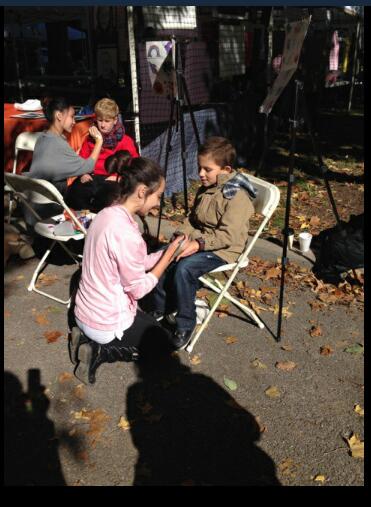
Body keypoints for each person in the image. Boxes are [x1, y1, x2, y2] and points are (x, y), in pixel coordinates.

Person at [71, 156, 186, 385]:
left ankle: (83, 335)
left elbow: (134, 261)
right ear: (142, 191)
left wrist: (166, 253)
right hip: (105, 322)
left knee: (149, 327)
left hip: (83, 312)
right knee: (165, 345)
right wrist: (169, 256)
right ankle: (99, 350)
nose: (157, 203)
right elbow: (138, 289)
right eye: (158, 196)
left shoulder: (107, 214)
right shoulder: (126, 233)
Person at [143, 136, 256, 350]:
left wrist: (198, 245)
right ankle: (160, 307)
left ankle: (186, 322)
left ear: (225, 169)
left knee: (185, 269)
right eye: (199, 167)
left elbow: (228, 236)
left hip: (225, 249)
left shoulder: (236, 197)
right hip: (202, 239)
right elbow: (192, 219)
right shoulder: (208, 187)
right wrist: (182, 236)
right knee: (164, 253)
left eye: (207, 169)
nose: (200, 174)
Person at [28, 97, 103, 196]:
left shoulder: (42, 138)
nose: (74, 121)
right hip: (50, 204)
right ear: (59, 116)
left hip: (32, 201)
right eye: (71, 116)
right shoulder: (58, 143)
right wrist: (99, 141)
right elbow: (88, 167)